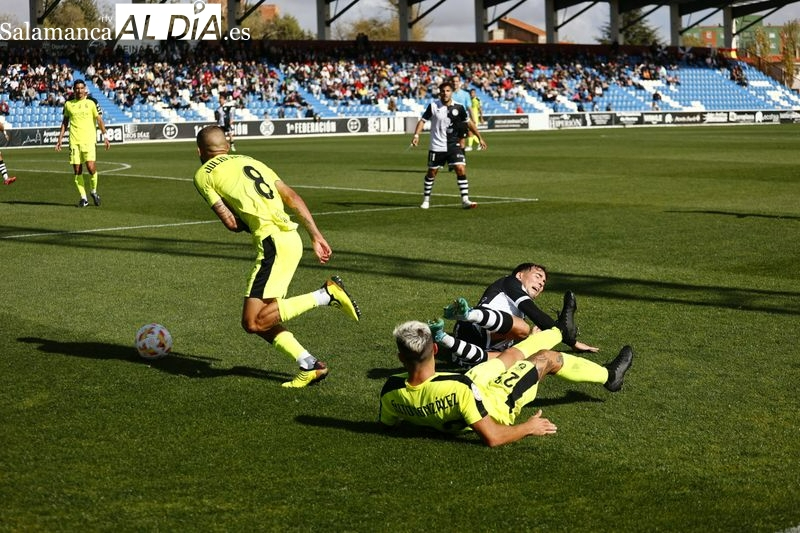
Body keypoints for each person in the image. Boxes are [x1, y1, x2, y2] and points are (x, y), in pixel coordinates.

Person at [193, 125, 361, 388]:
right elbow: (292, 197)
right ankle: (310, 365)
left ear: (200, 151)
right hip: (290, 239)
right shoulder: (252, 161)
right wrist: (316, 236)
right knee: (263, 318)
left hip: (272, 243)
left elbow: (230, 222)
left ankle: (326, 295)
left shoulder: (203, 174)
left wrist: (247, 220)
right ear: (227, 145)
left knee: (252, 322)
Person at [379, 320, 634, 447]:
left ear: (401, 357)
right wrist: (529, 426)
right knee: (546, 359)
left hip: (469, 383)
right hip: (499, 402)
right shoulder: (459, 388)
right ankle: (610, 377)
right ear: (435, 348)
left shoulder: (391, 390)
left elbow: (388, 424)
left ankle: (559, 332)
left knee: (508, 356)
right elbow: (493, 436)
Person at [432, 263, 599, 368]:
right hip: (473, 328)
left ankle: (442, 337)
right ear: (520, 275)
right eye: (538, 276)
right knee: (524, 328)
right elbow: (534, 312)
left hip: (472, 353)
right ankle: (468, 314)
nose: (541, 283)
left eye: (543, 283)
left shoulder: (517, 311)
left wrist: (531, 341)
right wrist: (571, 341)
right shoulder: (510, 282)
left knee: (520, 357)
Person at [410, 80, 486, 210]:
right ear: (439, 93)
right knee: (432, 172)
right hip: (437, 145)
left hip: (453, 145)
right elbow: (422, 121)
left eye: (448, 91)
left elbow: (469, 123)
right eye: (443, 91)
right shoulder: (433, 106)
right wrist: (416, 135)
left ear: (451, 93)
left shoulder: (459, 107)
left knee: (460, 169)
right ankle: (426, 199)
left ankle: (465, 200)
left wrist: (480, 138)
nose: (445, 93)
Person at [55, 79, 110, 207]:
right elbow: (65, 122)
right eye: (77, 88)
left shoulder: (92, 102)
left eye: (81, 88)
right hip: (74, 142)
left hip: (89, 141)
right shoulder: (69, 104)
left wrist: (105, 136)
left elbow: (99, 120)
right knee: (77, 170)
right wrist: (60, 139)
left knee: (91, 168)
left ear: (85, 89)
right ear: (74, 90)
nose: (79, 90)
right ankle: (83, 198)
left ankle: (94, 191)